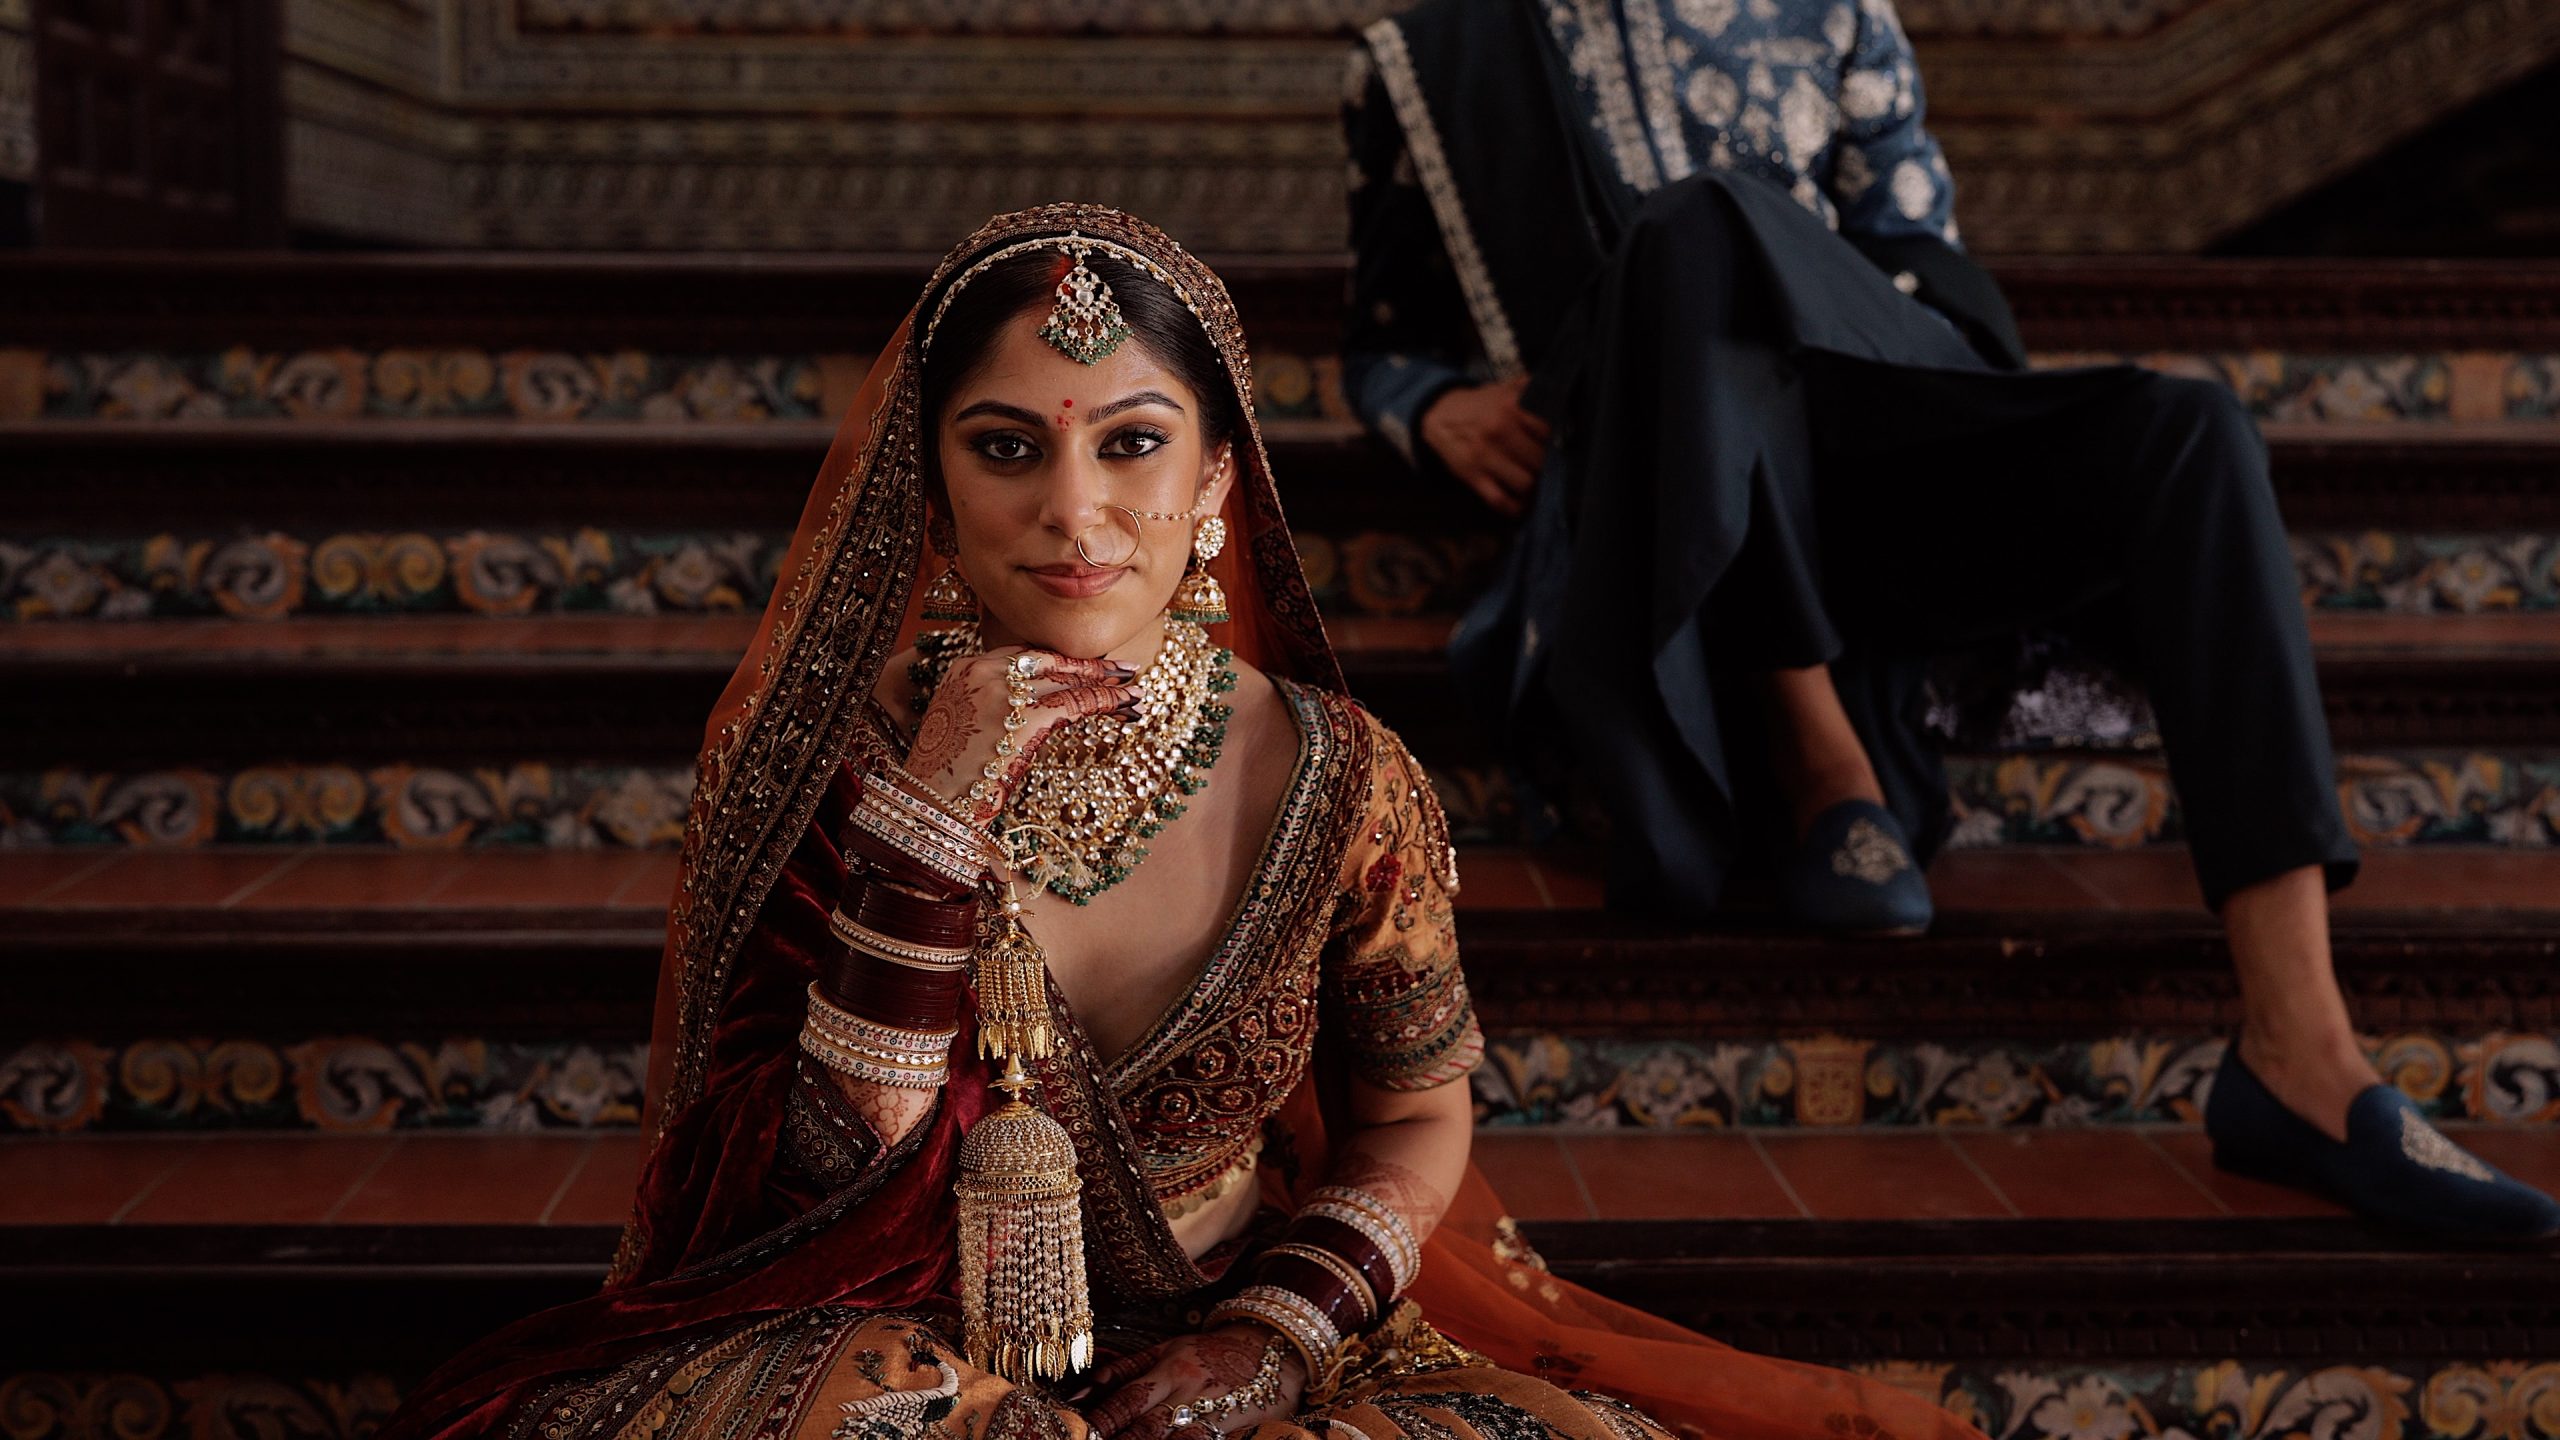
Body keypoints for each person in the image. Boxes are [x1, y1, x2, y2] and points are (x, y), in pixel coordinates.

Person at [377, 205, 1993, 1440]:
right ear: (931, 493)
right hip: (905, 1343)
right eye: (1007, 450)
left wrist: (1269, 1344)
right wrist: (929, 833)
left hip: (1246, 1330)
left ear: (1219, 482)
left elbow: (1419, 1125)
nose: (1075, 514)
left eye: (1132, 444)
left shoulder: (1342, 780)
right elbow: (793, 1195)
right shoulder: (821, 772)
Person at [1339, 0, 2560, 1240]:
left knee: (2190, 433)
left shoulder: (1834, 14)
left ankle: (2305, 1051)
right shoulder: (1437, 53)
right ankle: (1820, 753)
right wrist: (1430, 407)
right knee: (1695, 231)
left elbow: (1926, 262)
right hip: (1647, 521)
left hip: (1875, 451)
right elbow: (1380, 341)